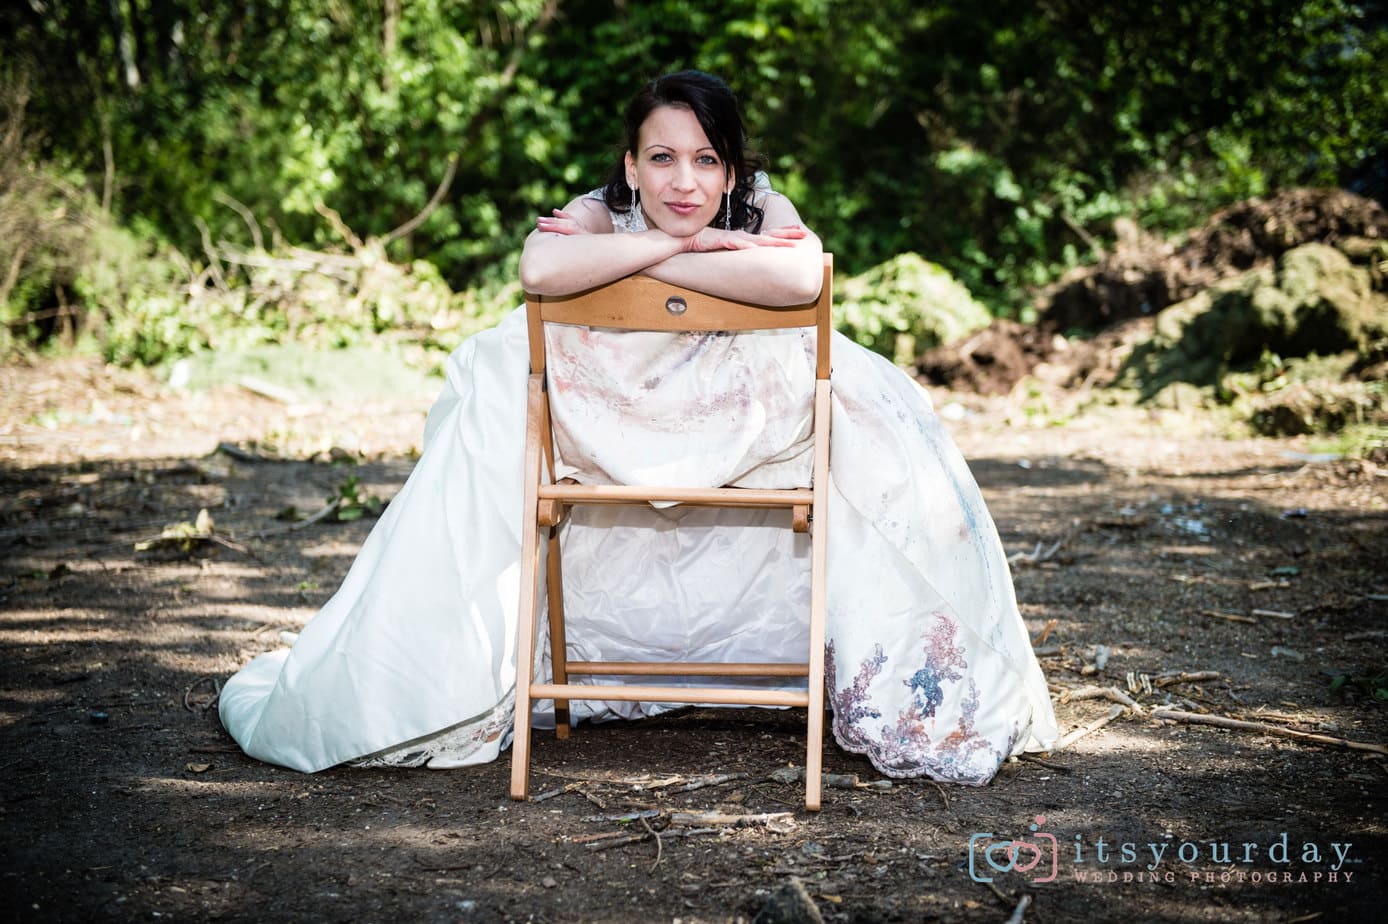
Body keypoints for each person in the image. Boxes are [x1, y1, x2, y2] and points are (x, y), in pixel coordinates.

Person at [219, 70, 1057, 784]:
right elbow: (538, 267)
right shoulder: (601, 209)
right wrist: (666, 250)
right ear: (631, 164)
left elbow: (805, 273)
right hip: (612, 427)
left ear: (732, 172)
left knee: (879, 416)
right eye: (661, 159)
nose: (682, 183)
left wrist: (670, 251)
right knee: (496, 375)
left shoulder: (765, 204)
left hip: (735, 426)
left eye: (704, 161)